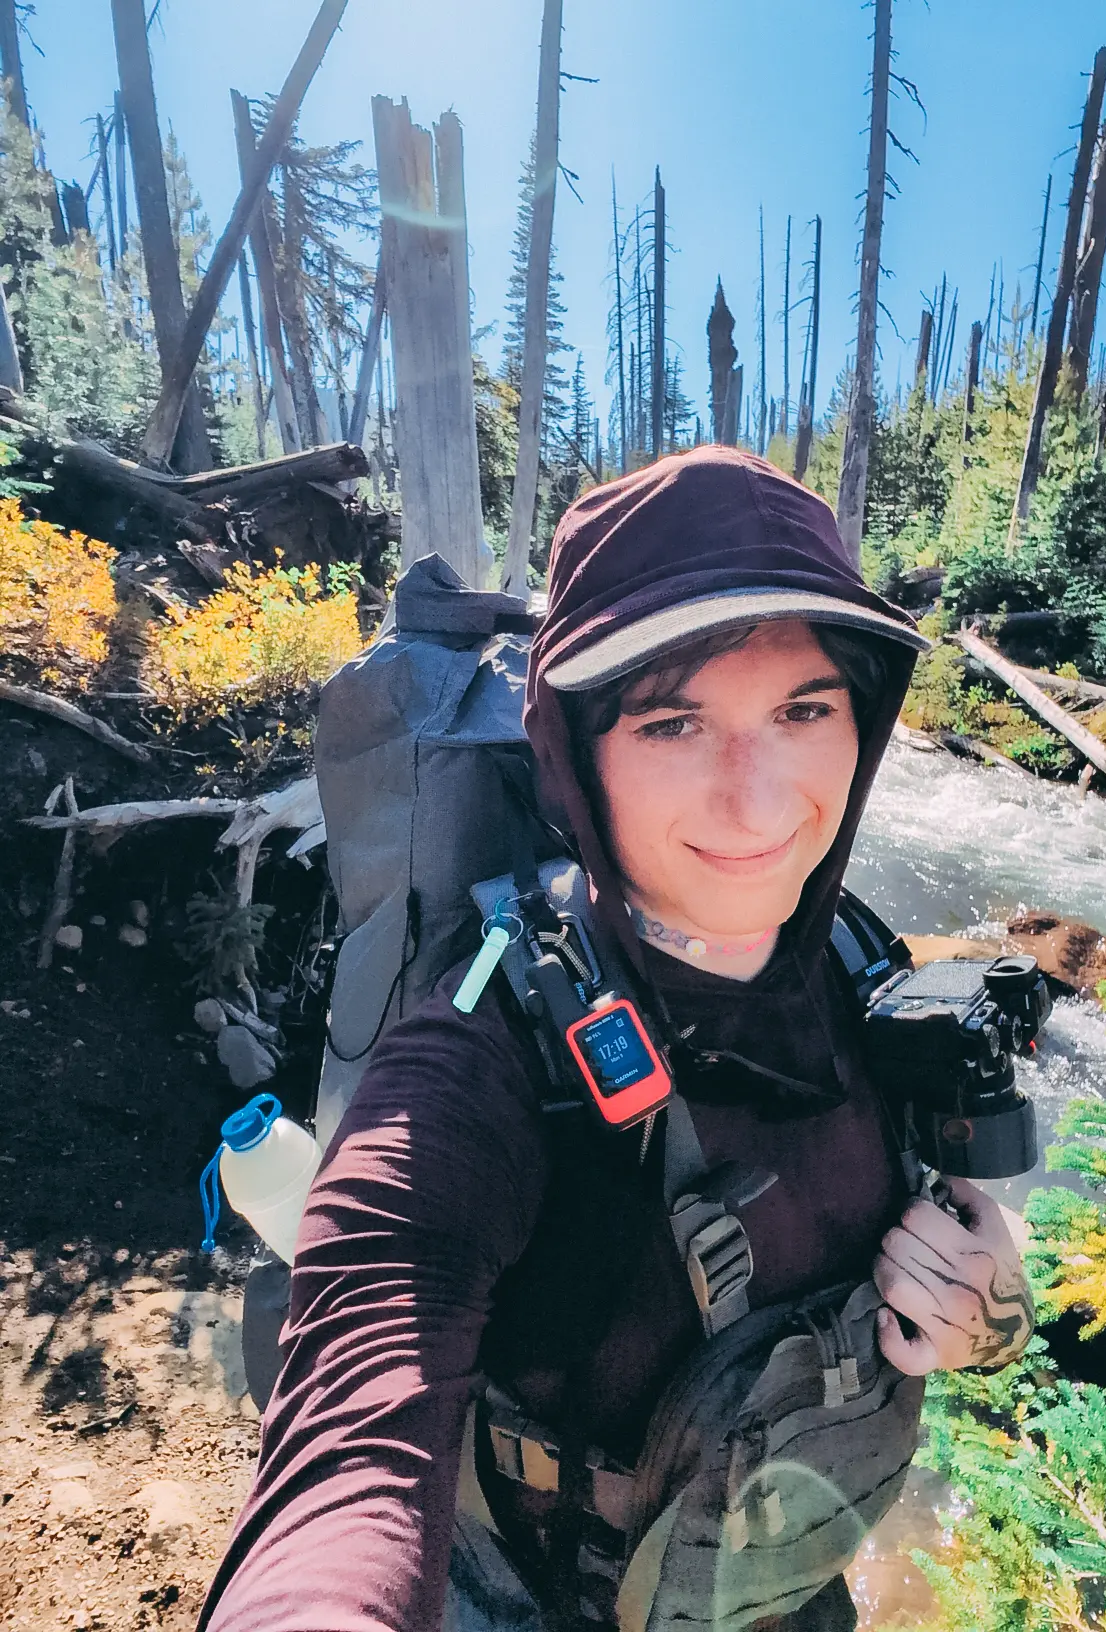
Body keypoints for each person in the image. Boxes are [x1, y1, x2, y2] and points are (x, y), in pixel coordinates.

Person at [198, 446, 1034, 1632]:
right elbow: (360, 1398)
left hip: (786, 1593)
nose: (755, 800)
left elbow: (975, 1272)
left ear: (866, 722)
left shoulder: (864, 971)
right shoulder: (490, 1041)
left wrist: (993, 1306)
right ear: (574, 756)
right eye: (671, 723)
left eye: (803, 709)